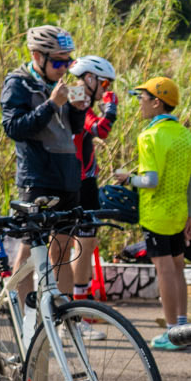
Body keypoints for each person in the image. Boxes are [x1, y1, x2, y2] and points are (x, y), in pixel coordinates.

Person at [0, 25, 83, 329]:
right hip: (37, 178)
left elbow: (73, 129)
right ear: (37, 56)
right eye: (58, 61)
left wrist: (78, 109)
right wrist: (51, 104)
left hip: (66, 175)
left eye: (68, 61)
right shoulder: (18, 83)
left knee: (63, 249)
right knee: (29, 250)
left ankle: (65, 320)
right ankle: (25, 319)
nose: (64, 67)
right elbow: (14, 128)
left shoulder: (62, 84)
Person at [129, 75, 191, 350]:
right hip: (179, 213)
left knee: (164, 270)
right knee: (178, 268)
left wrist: (127, 178)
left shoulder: (149, 136)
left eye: (142, 98)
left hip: (155, 215)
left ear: (157, 102)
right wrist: (189, 216)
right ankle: (183, 327)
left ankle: (171, 331)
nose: (140, 104)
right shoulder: (185, 134)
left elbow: (150, 180)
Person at [65, 54, 121, 300]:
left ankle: (81, 298)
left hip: (83, 177)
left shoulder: (79, 96)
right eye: (104, 83)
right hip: (78, 180)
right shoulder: (77, 95)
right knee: (82, 243)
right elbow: (101, 129)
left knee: (86, 242)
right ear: (89, 78)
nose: (106, 90)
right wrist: (110, 109)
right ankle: (78, 301)